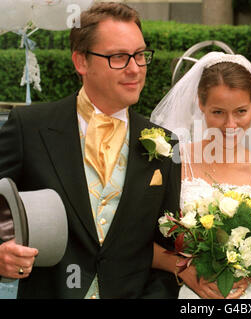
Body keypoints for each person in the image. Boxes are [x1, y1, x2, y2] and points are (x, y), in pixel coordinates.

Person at [0, 2, 180, 298]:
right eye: (120, 57)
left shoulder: (165, 143)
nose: (135, 68)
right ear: (81, 62)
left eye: (140, 55)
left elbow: (167, 249)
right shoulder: (29, 128)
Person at [150, 51, 251, 299]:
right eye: (218, 112)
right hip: (192, 293)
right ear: (201, 104)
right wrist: (185, 271)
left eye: (240, 111)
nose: (230, 125)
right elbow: (139, 241)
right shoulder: (175, 162)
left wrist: (248, 276)